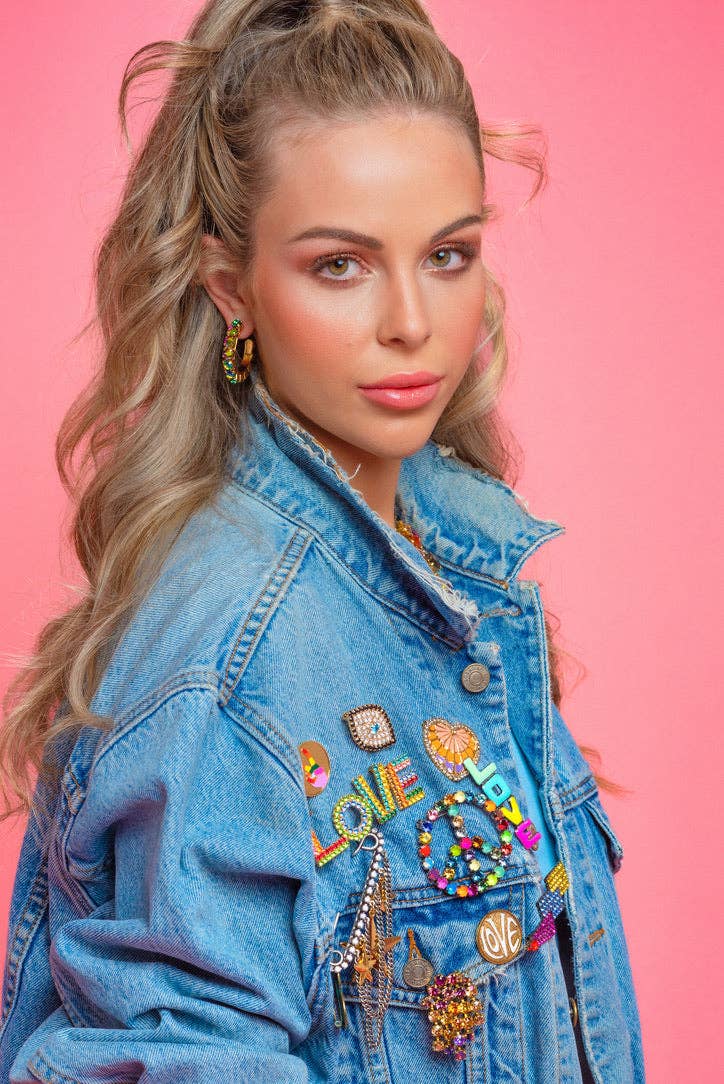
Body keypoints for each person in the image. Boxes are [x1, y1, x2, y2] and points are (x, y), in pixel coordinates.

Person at [0, 1, 645, 1081]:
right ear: (229, 287)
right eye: (339, 265)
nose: (410, 319)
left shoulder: (452, 587)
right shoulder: (234, 640)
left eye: (446, 254)